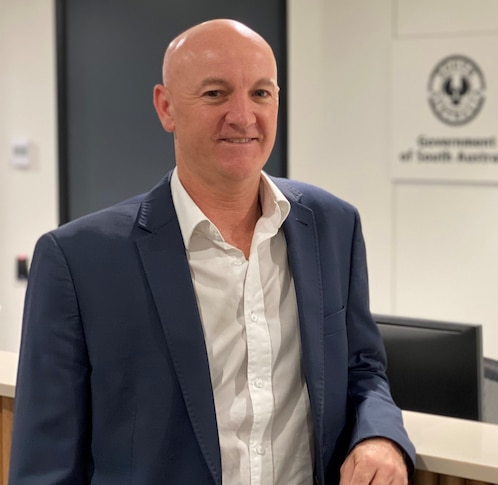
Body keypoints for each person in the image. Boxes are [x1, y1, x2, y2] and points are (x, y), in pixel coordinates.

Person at [10, 19, 414, 485]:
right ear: (166, 108)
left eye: (261, 93)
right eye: (216, 94)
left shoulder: (332, 225)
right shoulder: (78, 260)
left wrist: (379, 436)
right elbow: (44, 465)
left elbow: (363, 370)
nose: (243, 116)